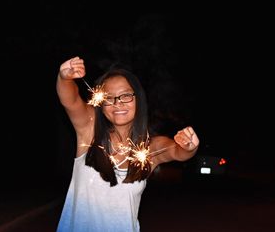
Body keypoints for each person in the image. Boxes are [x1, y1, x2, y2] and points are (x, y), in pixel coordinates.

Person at [56, 56, 199, 232]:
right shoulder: (89, 130)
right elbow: (70, 100)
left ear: (138, 98)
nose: (118, 103)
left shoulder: (149, 149)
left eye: (125, 95)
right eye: (109, 98)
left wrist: (189, 146)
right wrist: (65, 78)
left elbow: (178, 151)